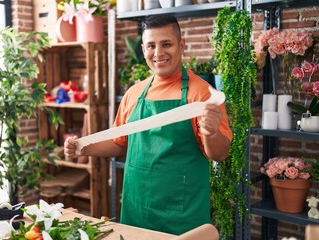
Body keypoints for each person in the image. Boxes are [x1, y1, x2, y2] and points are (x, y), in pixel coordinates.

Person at [64, 14, 232, 235]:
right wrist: (82, 147)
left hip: (182, 216)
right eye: (151, 45)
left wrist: (210, 132)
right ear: (143, 49)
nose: (158, 53)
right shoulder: (134, 94)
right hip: (137, 209)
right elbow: (119, 142)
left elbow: (219, 154)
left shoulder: (200, 93)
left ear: (182, 45)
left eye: (166, 44)